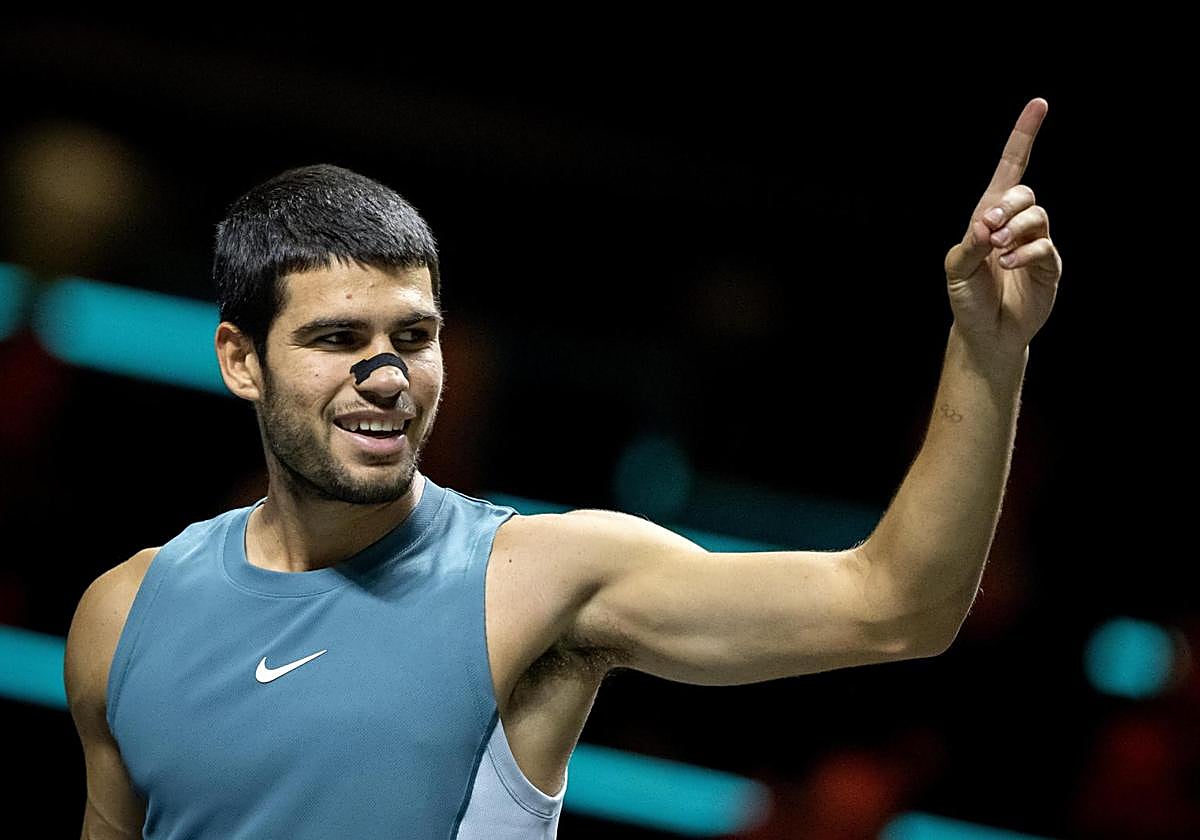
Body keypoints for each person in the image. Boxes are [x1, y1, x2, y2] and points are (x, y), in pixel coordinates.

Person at [64, 97, 1062, 839]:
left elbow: (896, 606)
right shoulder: (123, 613)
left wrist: (989, 347)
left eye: (413, 337)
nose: (384, 376)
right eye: (337, 338)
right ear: (242, 358)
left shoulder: (541, 575)